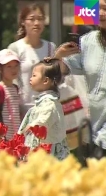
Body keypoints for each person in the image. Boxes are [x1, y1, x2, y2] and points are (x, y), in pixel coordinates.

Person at [54, 0, 106, 154]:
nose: (101, 13)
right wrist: (58, 56)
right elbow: (61, 69)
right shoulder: (87, 42)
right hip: (96, 134)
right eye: (98, 8)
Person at [7, 3, 56, 115]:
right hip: (21, 109)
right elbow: (8, 79)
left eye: (40, 19)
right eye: (32, 19)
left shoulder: (50, 48)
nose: (36, 23)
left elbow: (56, 79)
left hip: (46, 109)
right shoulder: (15, 48)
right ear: (23, 22)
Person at [18, 58, 69, 160]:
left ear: (46, 80)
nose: (30, 78)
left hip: (48, 153)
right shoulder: (43, 102)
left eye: (34, 75)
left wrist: (32, 126)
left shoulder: (50, 103)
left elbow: (43, 120)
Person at [0, 49, 21, 140]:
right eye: (9, 66)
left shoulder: (16, 88)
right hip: (3, 139)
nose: (13, 70)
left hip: (16, 138)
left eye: (16, 66)